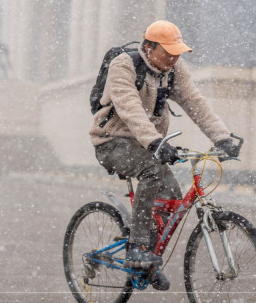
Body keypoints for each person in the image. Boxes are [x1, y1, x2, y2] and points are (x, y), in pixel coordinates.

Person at [89, 20, 240, 290]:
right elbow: (129, 109)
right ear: (148, 46)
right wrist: (155, 141)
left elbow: (196, 103)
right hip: (112, 141)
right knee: (152, 171)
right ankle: (136, 248)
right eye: (167, 51)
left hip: (149, 145)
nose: (173, 57)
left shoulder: (174, 70)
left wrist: (222, 137)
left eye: (177, 52)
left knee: (171, 200)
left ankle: (149, 261)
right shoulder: (124, 65)